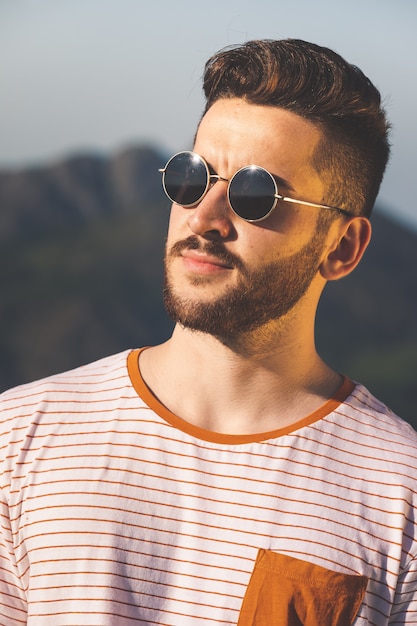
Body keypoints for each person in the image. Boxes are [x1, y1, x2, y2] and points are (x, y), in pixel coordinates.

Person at [0, 39, 416, 626]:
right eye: (193, 177)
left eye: (255, 194)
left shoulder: (401, 498)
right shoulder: (18, 441)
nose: (204, 217)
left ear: (342, 247)